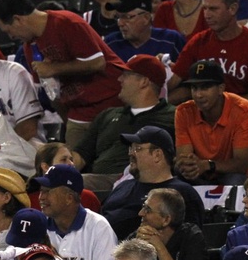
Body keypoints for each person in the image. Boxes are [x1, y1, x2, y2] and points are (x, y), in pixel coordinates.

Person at [0, 0, 128, 149]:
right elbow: (52, 94)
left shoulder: (66, 22)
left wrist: (54, 68)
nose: (11, 37)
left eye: (9, 31)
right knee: (72, 164)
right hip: (78, 111)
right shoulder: (29, 47)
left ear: (18, 19)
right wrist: (68, 119)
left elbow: (97, 63)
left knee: (109, 162)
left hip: (111, 99)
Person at [72, 53, 176, 192]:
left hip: (141, 181)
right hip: (98, 179)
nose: (120, 79)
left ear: (144, 82)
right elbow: (81, 154)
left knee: (74, 184)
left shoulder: (173, 116)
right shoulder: (108, 115)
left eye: (126, 75)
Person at [168, 0, 248, 107]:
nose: (207, 15)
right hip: (203, 112)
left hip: (240, 114)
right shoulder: (199, 41)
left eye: (213, 9)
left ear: (232, 8)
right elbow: (175, 79)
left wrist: (223, 110)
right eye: (205, 9)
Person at [102, 125, 204, 241]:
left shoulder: (181, 193)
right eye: (131, 148)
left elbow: (191, 242)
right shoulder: (123, 186)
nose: (130, 154)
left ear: (157, 155)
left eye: (137, 149)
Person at [173, 60, 248, 185]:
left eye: (205, 87)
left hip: (240, 178)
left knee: (235, 179)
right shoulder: (184, 111)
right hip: (203, 175)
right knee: (178, 175)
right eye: (194, 88)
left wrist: (208, 165)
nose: (198, 95)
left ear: (221, 88)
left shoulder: (243, 110)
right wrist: (188, 165)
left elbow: (242, 164)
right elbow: (185, 158)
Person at [31, 165, 117, 260]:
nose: (41, 197)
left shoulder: (98, 227)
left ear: (69, 198)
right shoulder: (38, 224)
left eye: (48, 191)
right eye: (41, 191)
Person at [132, 188, 209, 260]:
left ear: (166, 220)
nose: (140, 213)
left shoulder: (191, 237)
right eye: (143, 207)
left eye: (147, 209)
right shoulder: (139, 236)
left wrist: (159, 246)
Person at [103, 0, 186, 63]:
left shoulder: (171, 41)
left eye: (127, 17)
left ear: (146, 18)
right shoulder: (110, 44)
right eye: (118, 17)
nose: (120, 23)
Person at [27, 143, 101, 212]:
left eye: (71, 160)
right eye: (64, 160)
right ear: (45, 167)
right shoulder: (28, 201)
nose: (71, 164)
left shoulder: (87, 197)